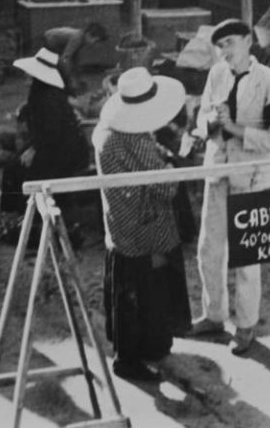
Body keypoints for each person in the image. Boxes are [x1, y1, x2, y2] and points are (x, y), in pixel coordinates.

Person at [190, 19, 270, 355]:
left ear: (248, 41)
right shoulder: (216, 74)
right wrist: (209, 124)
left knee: (247, 256)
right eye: (220, 46)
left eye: (230, 43)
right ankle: (213, 315)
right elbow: (201, 117)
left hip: (253, 175)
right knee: (209, 249)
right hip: (217, 170)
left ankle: (246, 326)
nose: (225, 51)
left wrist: (235, 128)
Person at [93, 67, 191, 381]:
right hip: (145, 224)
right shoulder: (134, 141)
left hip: (119, 218)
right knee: (145, 293)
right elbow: (166, 187)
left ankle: (138, 348)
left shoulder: (105, 130)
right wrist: (172, 163)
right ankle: (130, 358)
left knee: (128, 290)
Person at [0, 48, 91, 217]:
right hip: (52, 143)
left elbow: (52, 133)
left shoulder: (48, 98)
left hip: (65, 151)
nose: (26, 75)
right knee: (12, 167)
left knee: (24, 174)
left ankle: (25, 217)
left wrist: (33, 150)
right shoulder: (41, 92)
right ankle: (11, 213)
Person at [37, 23, 108, 94]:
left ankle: (66, 84)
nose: (94, 44)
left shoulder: (81, 37)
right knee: (62, 63)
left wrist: (76, 78)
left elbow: (75, 58)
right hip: (50, 40)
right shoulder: (77, 38)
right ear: (89, 35)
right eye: (95, 41)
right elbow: (66, 58)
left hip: (54, 38)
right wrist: (69, 78)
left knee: (71, 63)